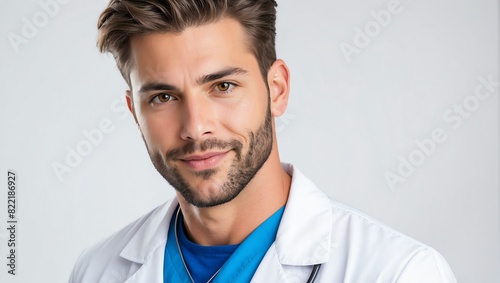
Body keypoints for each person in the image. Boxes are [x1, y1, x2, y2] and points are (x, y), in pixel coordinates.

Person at [69, 0, 457, 282]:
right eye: (163, 97)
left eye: (223, 86)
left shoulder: (399, 272)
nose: (196, 127)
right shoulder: (96, 271)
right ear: (135, 113)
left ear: (277, 89)